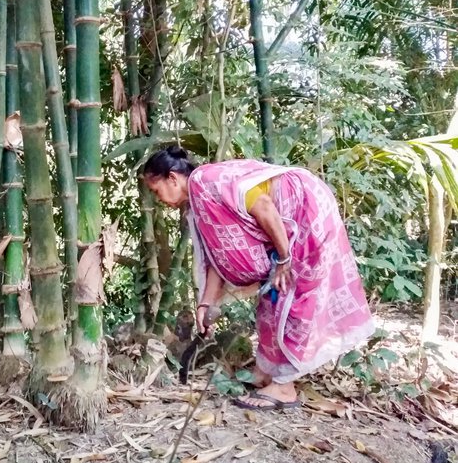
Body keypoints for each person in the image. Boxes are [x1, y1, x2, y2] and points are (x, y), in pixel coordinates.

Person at [143, 146, 375, 411]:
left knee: (292, 295)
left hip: (305, 211)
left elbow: (263, 205)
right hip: (285, 234)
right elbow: (218, 258)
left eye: (156, 190)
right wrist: (206, 305)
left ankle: (285, 388)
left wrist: (285, 260)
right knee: (270, 299)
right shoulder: (198, 205)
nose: (158, 198)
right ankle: (266, 373)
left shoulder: (207, 181)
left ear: (172, 178)